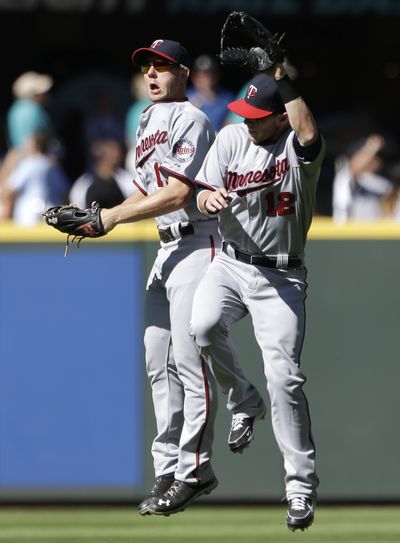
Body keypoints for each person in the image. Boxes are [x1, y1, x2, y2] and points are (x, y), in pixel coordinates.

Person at [98, 39, 266, 516]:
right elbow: (143, 192)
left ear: (183, 73)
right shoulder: (147, 119)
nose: (152, 74)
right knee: (158, 361)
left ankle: (196, 469)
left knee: (191, 363)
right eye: (147, 67)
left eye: (163, 66)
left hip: (198, 239)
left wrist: (111, 218)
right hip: (166, 245)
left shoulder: (191, 118)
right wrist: (100, 218)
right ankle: (168, 469)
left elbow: (176, 194)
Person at [190, 68, 325, 531]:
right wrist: (208, 200)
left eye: (258, 115)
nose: (248, 121)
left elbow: (308, 132)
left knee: (285, 378)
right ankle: (244, 402)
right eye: (245, 112)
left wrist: (288, 80)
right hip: (231, 263)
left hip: (281, 276)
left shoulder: (297, 147)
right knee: (203, 326)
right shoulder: (230, 139)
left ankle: (300, 488)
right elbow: (203, 191)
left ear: (281, 117)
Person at [0, 131, 69, 226]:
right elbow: (65, 192)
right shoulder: (53, 166)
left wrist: (7, 166)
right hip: (51, 217)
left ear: (35, 146)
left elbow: (9, 191)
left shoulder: (27, 164)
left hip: (28, 219)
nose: (25, 147)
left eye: (28, 144)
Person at [332, 134, 393, 223]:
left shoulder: (382, 180)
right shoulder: (344, 177)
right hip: (350, 230)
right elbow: (353, 168)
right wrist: (372, 148)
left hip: (377, 230)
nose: (376, 160)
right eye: (373, 156)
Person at [69, 138, 133, 209]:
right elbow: (77, 209)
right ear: (102, 158)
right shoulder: (83, 184)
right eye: (113, 156)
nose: (119, 159)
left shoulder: (125, 178)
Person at [7, 71, 55, 150]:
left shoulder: (14, 110)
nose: (45, 95)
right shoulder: (33, 109)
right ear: (34, 94)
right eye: (41, 93)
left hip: (22, 158)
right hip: (37, 156)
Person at [186, 54, 234, 132]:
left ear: (217, 75)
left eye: (208, 74)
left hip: (218, 139)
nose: (206, 79)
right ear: (194, 77)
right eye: (200, 74)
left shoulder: (227, 98)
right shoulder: (185, 97)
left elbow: (230, 126)